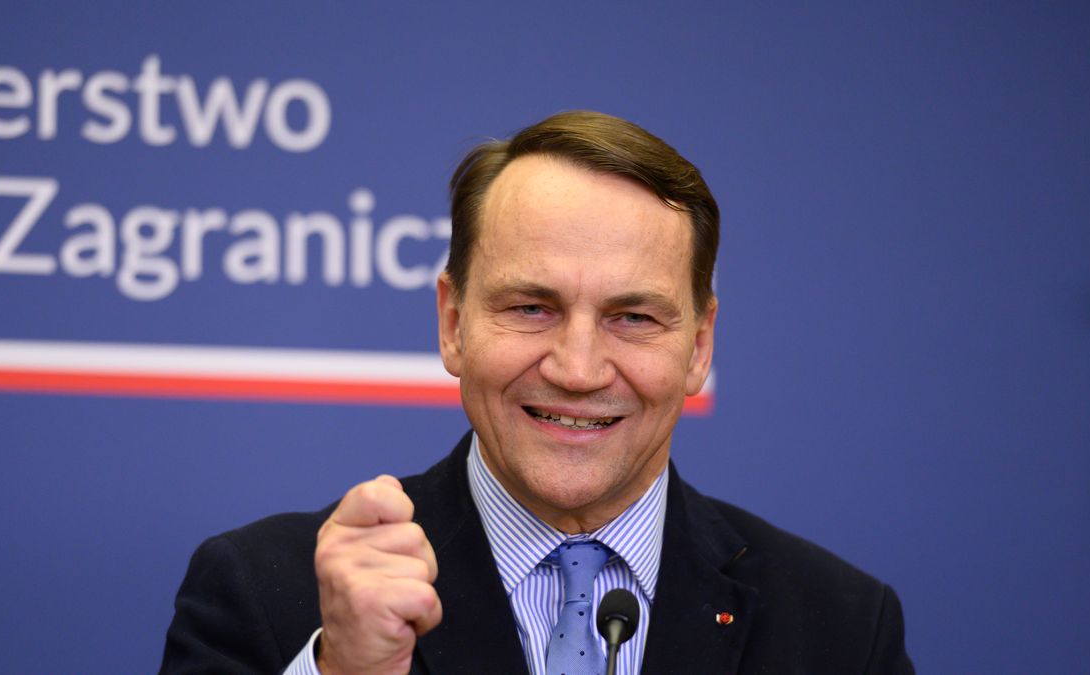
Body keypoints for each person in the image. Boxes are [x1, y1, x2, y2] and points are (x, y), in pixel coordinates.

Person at [159, 111, 914, 674]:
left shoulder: (842, 628)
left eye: (633, 317)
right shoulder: (266, 592)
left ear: (699, 346)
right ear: (453, 323)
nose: (578, 369)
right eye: (531, 307)